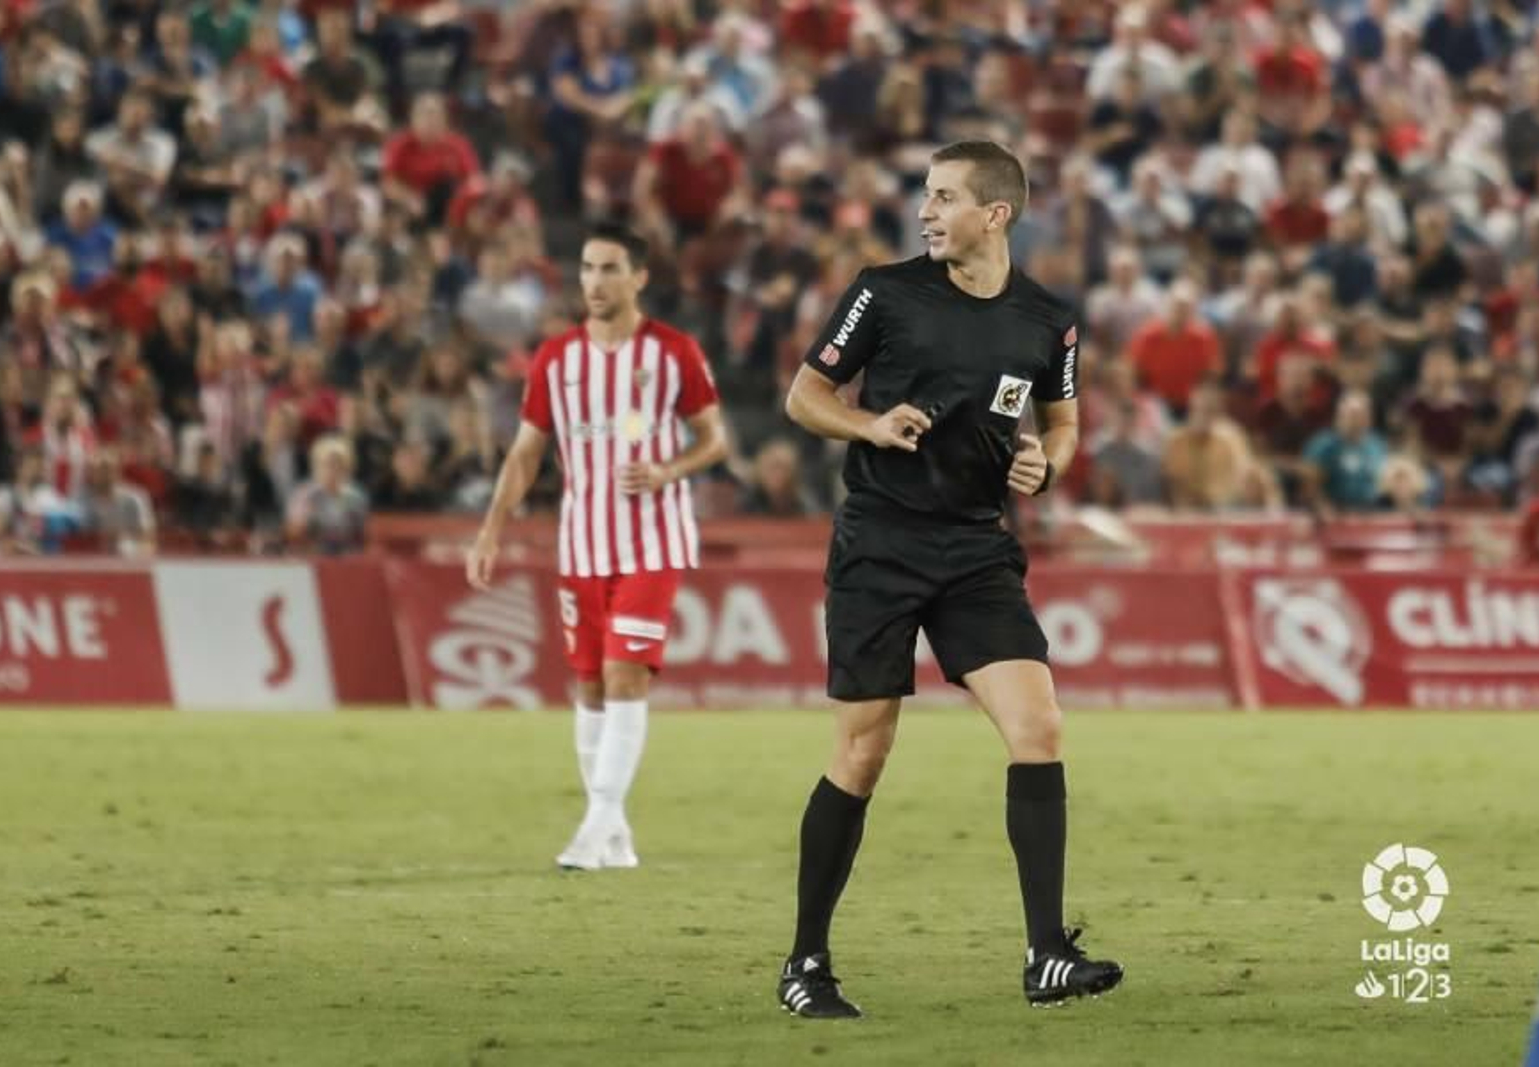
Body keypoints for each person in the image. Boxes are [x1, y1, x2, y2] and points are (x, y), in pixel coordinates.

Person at [775, 140, 1123, 1019]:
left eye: (942, 197)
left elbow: (1066, 418)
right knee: (862, 752)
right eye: (925, 196)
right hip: (880, 544)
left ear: (994, 215)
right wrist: (868, 423)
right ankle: (806, 962)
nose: (925, 211)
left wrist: (1048, 460)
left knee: (1038, 727)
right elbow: (804, 395)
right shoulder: (882, 292)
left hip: (975, 548)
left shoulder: (1048, 319)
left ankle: (1046, 953)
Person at [465, 223, 728, 871]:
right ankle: (613, 831)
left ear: (638, 277)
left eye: (610, 268)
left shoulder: (674, 352)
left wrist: (668, 470)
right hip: (581, 544)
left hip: (653, 541)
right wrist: (491, 527)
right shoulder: (555, 359)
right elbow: (526, 453)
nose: (595, 282)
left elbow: (714, 439)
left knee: (624, 674)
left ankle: (595, 823)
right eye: (587, 268)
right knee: (587, 686)